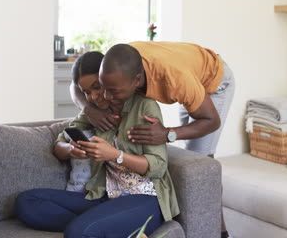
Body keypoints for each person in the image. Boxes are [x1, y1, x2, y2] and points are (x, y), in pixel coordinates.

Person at [72, 42, 235, 238]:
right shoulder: (114, 62)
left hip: (214, 79)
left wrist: (168, 134)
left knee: (200, 160)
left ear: (137, 80)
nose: (106, 97)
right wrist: (89, 110)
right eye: (103, 88)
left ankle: (219, 232)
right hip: (189, 71)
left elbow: (211, 120)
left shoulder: (175, 80)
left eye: (113, 91)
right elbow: (74, 85)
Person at [15, 51, 179, 238]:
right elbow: (59, 143)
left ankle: (96, 226)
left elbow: (158, 167)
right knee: (27, 202)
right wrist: (70, 150)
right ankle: (105, 226)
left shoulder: (144, 106)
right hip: (104, 196)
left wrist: (115, 155)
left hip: (145, 198)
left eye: (96, 87)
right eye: (86, 92)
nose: (93, 97)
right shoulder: (94, 113)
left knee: (77, 232)